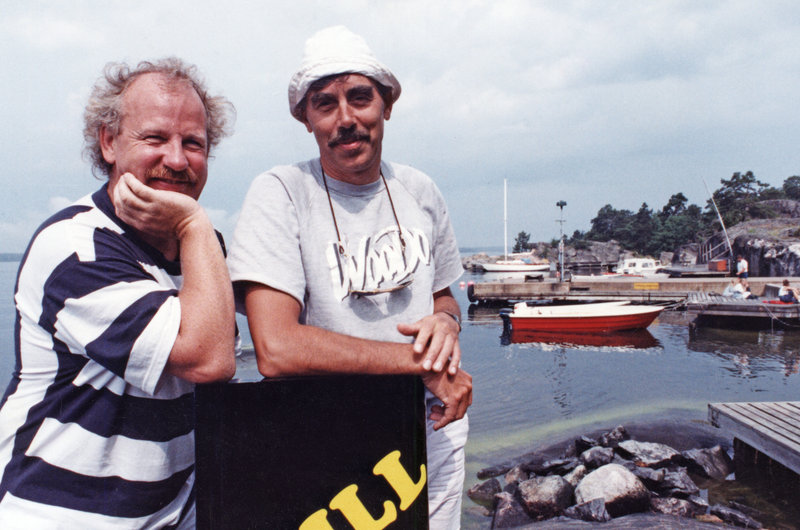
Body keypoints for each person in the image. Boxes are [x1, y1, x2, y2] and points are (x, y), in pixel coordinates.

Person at [227, 26, 472, 528]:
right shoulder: (282, 193)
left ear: (387, 105)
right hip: (328, 434)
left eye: (360, 98)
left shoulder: (419, 190)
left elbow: (445, 299)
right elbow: (276, 349)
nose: (346, 119)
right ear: (306, 118)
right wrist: (416, 364)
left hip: (433, 424)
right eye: (325, 104)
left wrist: (446, 326)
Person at [0, 58, 237, 527]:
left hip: (165, 516)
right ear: (108, 142)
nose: (176, 159)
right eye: (154, 138)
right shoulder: (76, 247)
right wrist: (194, 223)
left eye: (194, 143)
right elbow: (208, 359)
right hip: (58, 515)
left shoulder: (197, 249)